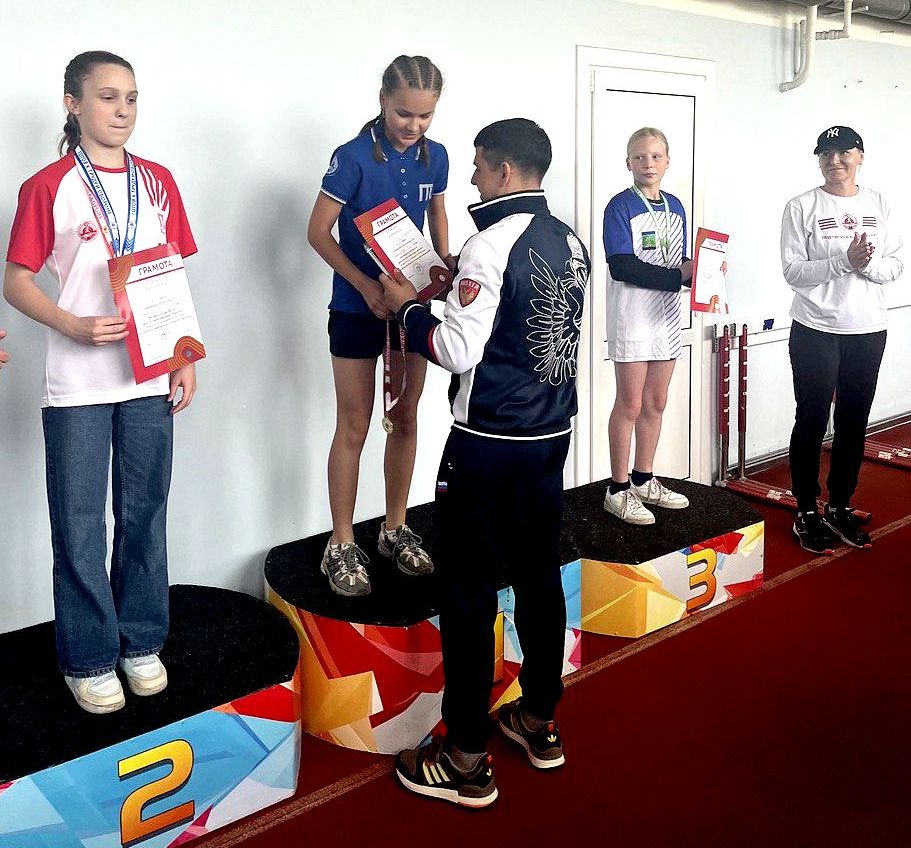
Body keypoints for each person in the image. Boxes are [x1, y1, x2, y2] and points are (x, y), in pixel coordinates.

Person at [382, 118, 590, 807]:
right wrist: (451, 292)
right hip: (550, 436)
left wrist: (409, 310)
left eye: (477, 167)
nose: (471, 177)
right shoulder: (568, 239)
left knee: (467, 594)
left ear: (503, 171)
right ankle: (538, 720)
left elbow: (457, 350)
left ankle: (466, 757)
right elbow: (517, 328)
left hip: (488, 442)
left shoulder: (487, 244)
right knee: (537, 578)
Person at [3, 51, 198, 713]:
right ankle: (87, 655)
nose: (122, 110)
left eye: (131, 98)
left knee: (145, 513)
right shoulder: (47, 186)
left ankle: (140, 641)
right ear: (73, 104)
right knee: (80, 522)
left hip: (147, 378)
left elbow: (171, 273)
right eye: (108, 97)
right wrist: (72, 324)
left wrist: (183, 354)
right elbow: (16, 282)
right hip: (78, 382)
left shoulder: (159, 182)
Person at [307, 55, 452, 597]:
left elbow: (437, 212)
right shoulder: (351, 158)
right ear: (383, 100)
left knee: (405, 416)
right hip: (356, 307)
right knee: (355, 423)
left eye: (425, 116)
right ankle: (342, 542)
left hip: (411, 304)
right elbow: (317, 232)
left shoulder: (437, 155)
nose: (413, 125)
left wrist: (442, 262)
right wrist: (366, 287)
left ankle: (394, 528)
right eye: (403, 113)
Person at [781, 126, 903, 554]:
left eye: (844, 152)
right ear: (819, 160)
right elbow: (794, 272)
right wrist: (844, 260)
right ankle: (805, 509)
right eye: (826, 154)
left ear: (860, 156)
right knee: (812, 420)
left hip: (866, 329)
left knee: (853, 421)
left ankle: (839, 505)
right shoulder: (802, 206)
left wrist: (866, 265)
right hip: (815, 328)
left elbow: (895, 265)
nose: (835, 161)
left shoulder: (879, 203)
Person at [601, 127, 692, 525]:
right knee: (631, 404)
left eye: (655, 156)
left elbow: (682, 261)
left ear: (667, 161)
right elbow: (622, 266)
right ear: (628, 163)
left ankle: (643, 478)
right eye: (639, 157)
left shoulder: (676, 207)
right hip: (633, 317)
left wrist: (704, 273)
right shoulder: (619, 206)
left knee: (656, 402)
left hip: (667, 317)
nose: (648, 164)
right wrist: (680, 276)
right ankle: (618, 489)